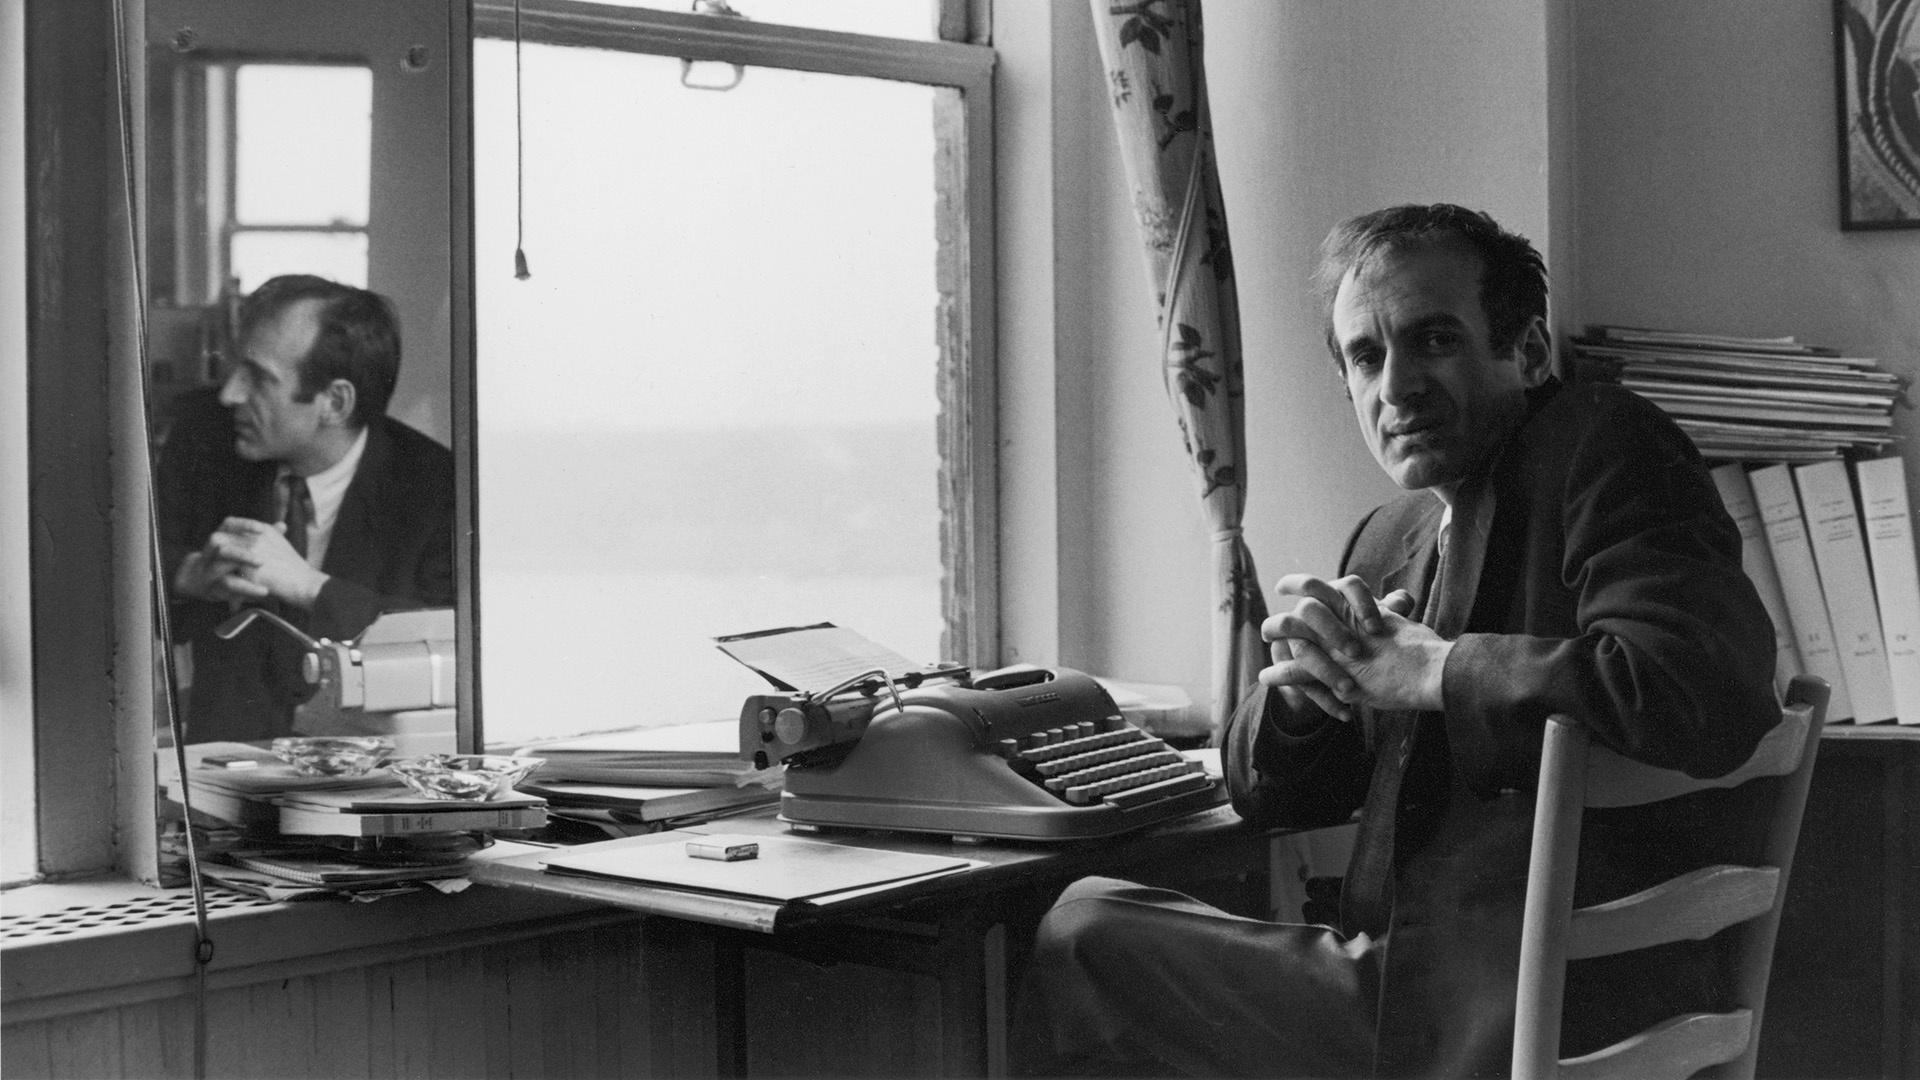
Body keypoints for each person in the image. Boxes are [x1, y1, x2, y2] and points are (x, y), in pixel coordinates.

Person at [1011, 205, 1780, 1077]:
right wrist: (1301, 697)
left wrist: (1437, 669)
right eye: (1366, 358)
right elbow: (1269, 797)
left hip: (1513, 1005)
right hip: (1433, 985)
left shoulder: (1605, 442)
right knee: (1106, 915)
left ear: (1526, 352)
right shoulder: (1390, 535)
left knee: (1084, 931)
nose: (1397, 387)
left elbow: (1705, 688)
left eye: (1436, 341)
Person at [159, 274, 455, 744]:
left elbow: (451, 644)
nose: (229, 394)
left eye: (257, 378)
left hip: (369, 773)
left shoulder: (438, 488)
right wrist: (187, 576)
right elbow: (115, 581)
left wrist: (312, 588)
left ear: (334, 402)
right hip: (219, 772)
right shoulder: (203, 445)